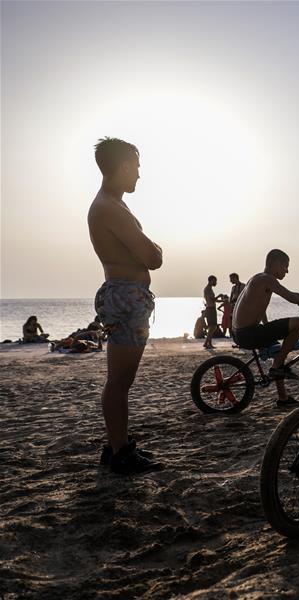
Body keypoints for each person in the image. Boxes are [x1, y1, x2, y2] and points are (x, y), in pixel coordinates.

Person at [88, 137, 163, 475]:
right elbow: (152, 256)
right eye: (135, 167)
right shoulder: (109, 207)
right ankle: (120, 452)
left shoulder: (113, 205)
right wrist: (154, 247)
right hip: (124, 296)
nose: (139, 175)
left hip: (127, 295)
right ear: (121, 166)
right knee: (119, 381)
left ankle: (116, 445)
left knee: (120, 380)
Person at [231, 249, 299, 406]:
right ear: (275, 263)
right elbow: (291, 297)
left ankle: (283, 398)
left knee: (278, 351)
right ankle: (277, 366)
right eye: (285, 266)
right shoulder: (267, 279)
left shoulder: (257, 278)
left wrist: (267, 328)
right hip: (248, 333)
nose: (287, 270)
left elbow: (259, 307)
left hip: (241, 332)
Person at [203, 276, 218, 349]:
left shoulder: (209, 289)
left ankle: (208, 343)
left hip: (211, 308)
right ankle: (207, 343)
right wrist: (220, 296)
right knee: (213, 326)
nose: (216, 283)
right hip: (210, 308)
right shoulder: (208, 289)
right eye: (215, 281)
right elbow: (212, 299)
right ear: (211, 280)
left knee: (212, 327)